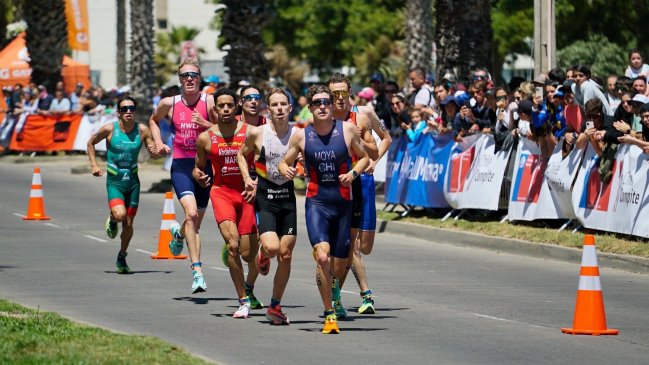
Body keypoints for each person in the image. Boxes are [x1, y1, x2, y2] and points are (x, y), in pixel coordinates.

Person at [278, 84, 369, 334]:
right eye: (317, 103)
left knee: (339, 267)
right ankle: (329, 314)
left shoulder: (348, 130)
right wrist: (286, 170)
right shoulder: (301, 135)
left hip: (343, 204)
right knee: (322, 257)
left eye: (326, 102)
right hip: (317, 203)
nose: (322, 107)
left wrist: (353, 173)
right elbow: (284, 163)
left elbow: (364, 158)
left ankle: (331, 283)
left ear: (332, 105)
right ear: (309, 108)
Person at [194, 88, 260, 319]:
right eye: (220, 106)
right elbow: (198, 167)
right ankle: (243, 300)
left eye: (229, 105)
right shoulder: (206, 137)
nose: (225, 109)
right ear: (215, 109)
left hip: (247, 194)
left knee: (249, 254)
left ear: (236, 107)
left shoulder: (251, 132)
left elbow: (265, 164)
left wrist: (257, 183)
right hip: (221, 192)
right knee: (233, 246)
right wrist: (198, 176)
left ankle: (242, 244)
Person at [149, 59, 214, 293]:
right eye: (185, 75)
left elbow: (224, 130)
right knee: (192, 214)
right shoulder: (170, 103)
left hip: (206, 167)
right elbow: (153, 121)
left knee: (193, 227)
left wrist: (204, 123)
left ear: (199, 79)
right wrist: (158, 142)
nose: (189, 78)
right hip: (182, 166)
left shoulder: (210, 102)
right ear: (179, 80)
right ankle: (197, 272)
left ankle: (178, 235)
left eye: (193, 75)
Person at [236, 88, 297, 325]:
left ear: (290, 108)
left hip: (288, 199)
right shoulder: (257, 133)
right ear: (268, 110)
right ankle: (262, 253)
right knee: (271, 248)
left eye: (284, 104)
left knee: (286, 255)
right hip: (266, 197)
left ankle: (275, 305)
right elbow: (242, 155)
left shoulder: (299, 135)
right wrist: (247, 179)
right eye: (275, 105)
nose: (280, 108)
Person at [87, 97, 156, 274]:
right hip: (115, 181)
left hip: (133, 183)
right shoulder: (110, 129)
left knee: (129, 223)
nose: (128, 112)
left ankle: (122, 255)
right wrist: (94, 165)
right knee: (120, 215)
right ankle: (112, 218)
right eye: (124, 109)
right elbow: (90, 143)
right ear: (118, 112)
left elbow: (152, 150)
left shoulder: (142, 130)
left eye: (131, 108)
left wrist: (156, 151)